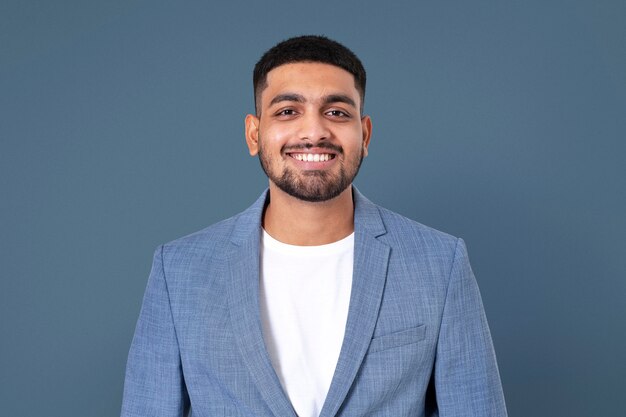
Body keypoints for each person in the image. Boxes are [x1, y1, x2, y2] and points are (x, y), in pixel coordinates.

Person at [121, 35, 507, 417]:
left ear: (365, 134)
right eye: (288, 111)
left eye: (336, 112)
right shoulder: (179, 270)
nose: (314, 132)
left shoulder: (440, 263)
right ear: (254, 134)